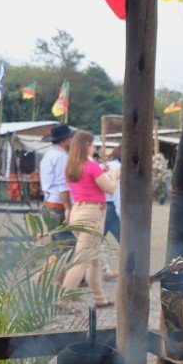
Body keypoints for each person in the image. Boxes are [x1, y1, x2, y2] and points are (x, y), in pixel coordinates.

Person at [60, 131, 118, 312]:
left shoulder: (72, 166)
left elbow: (88, 179)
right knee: (83, 260)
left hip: (77, 211)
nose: (94, 148)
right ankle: (62, 301)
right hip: (92, 213)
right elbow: (110, 189)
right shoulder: (92, 166)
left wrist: (102, 171)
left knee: (93, 258)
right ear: (87, 145)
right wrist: (114, 176)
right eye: (93, 145)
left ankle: (99, 299)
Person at [40, 123, 76, 245]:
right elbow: (63, 186)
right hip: (58, 207)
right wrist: (68, 208)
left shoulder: (48, 154)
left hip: (48, 204)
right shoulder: (61, 156)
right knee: (68, 246)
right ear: (65, 141)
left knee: (57, 246)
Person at [101, 146, 122, 280]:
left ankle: (105, 270)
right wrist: (120, 212)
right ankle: (132, 268)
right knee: (124, 238)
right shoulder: (118, 168)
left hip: (102, 205)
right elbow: (117, 193)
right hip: (110, 206)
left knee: (96, 240)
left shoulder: (105, 165)